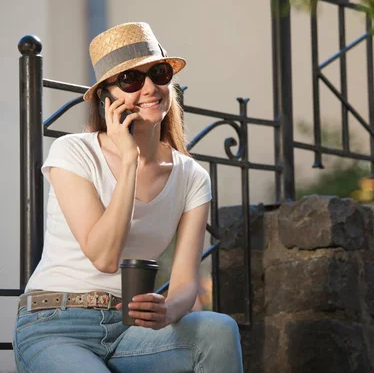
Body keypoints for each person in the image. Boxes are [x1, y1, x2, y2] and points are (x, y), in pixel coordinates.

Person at [13, 22, 244, 372]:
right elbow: (104, 257)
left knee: (218, 331)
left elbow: (184, 284)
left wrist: (168, 309)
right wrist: (131, 160)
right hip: (55, 325)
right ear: (107, 98)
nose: (150, 88)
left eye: (159, 73)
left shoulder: (191, 177)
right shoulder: (73, 153)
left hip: (131, 331)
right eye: (131, 80)